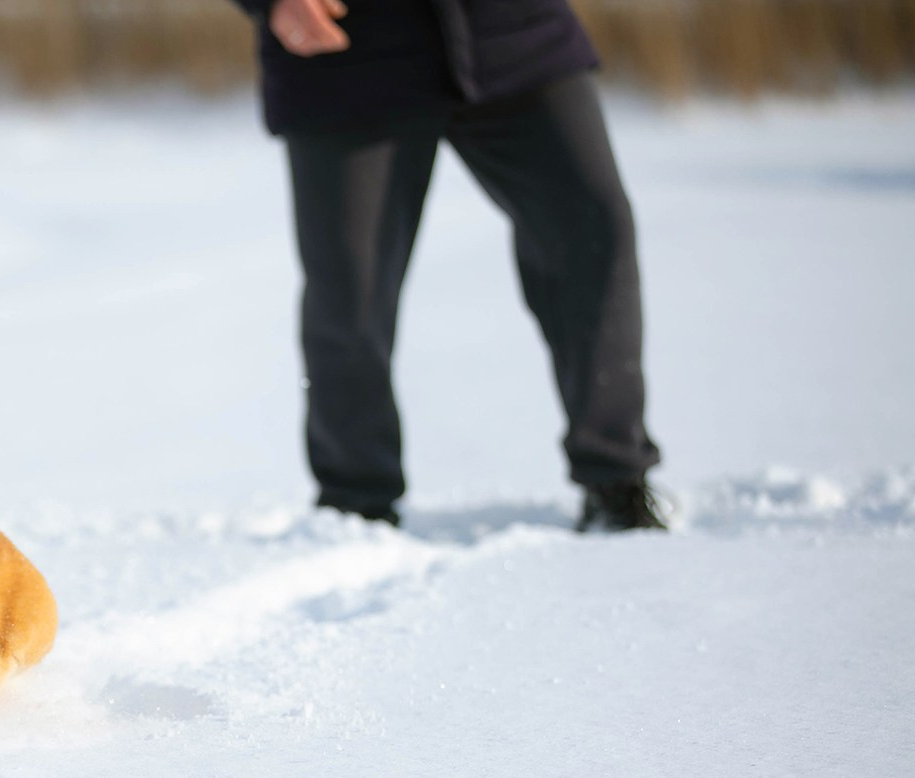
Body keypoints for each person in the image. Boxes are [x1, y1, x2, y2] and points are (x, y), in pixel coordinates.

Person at [232, 0, 667, 531]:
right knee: (351, 287)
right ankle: (355, 506)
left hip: (514, 36)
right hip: (347, 55)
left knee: (593, 233)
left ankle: (616, 478)